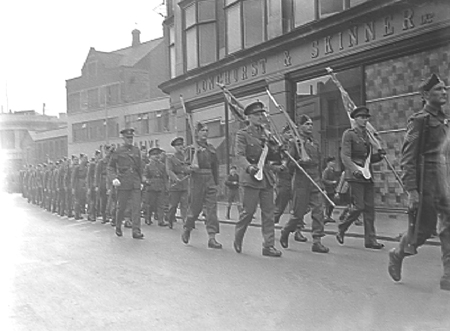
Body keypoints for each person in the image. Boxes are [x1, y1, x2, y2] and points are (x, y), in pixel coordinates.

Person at [388, 73, 450, 290]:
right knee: (422, 231)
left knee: (448, 226)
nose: (444, 92)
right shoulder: (419, 120)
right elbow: (408, 157)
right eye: (438, 89)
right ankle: (397, 254)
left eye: (445, 89)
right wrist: (412, 190)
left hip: (445, 178)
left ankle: (448, 276)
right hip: (428, 182)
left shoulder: (444, 120)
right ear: (425, 95)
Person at [233, 101, 283, 257]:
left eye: (262, 114)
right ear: (249, 117)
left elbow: (273, 157)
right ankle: (238, 236)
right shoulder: (242, 134)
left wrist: (277, 149)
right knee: (248, 212)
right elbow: (239, 156)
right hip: (251, 176)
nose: (261, 117)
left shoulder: (268, 134)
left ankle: (268, 246)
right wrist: (249, 167)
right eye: (257, 115)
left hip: (266, 177)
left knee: (268, 213)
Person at [336, 106, 385, 249]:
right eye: (362, 117)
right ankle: (342, 227)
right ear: (355, 119)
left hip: (367, 175)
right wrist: (354, 169)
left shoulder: (368, 136)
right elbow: (345, 156)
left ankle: (370, 240)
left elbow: (368, 158)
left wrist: (379, 156)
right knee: (359, 206)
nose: (365, 120)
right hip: (355, 175)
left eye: (366, 117)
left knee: (370, 208)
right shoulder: (349, 134)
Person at [279, 114, 329, 253]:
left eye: (311, 124)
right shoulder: (294, 142)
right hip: (301, 179)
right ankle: (286, 230)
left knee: (319, 210)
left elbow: (319, 164)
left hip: (315, 179)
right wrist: (299, 162)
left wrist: (321, 183)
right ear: (299, 126)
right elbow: (289, 164)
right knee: (298, 213)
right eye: (307, 124)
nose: (310, 126)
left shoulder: (315, 142)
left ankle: (317, 241)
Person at [181, 122, 222, 249]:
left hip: (209, 179)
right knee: (195, 209)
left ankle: (212, 237)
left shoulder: (211, 149)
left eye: (206, 130)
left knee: (211, 210)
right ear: (197, 133)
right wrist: (191, 168)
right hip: (197, 180)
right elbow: (184, 167)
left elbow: (215, 167)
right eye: (202, 130)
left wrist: (216, 184)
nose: (205, 132)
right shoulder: (191, 149)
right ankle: (187, 228)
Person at [108, 128, 144, 239]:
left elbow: (139, 167)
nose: (130, 140)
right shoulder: (118, 151)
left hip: (135, 181)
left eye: (131, 137)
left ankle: (136, 230)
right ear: (123, 138)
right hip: (123, 182)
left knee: (136, 207)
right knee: (121, 207)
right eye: (128, 138)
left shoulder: (136, 150)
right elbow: (110, 167)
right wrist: (114, 178)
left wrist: (141, 180)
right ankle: (118, 226)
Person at [166, 136, 189, 228]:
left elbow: (188, 167)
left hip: (185, 183)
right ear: (174, 147)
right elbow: (169, 170)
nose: (180, 146)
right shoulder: (170, 158)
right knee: (173, 205)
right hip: (175, 185)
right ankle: (170, 220)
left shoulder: (186, 157)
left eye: (181, 144)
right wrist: (176, 178)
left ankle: (186, 223)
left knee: (185, 204)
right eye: (178, 145)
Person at [143, 147, 169, 227]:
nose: (157, 156)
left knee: (161, 204)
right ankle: (148, 219)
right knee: (150, 204)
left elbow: (165, 177)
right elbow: (144, 176)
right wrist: (147, 181)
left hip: (160, 185)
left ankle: (161, 220)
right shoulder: (148, 166)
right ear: (150, 156)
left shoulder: (162, 165)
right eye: (154, 155)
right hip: (151, 186)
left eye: (158, 154)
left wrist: (166, 186)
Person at [273, 125, 293, 225]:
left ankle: (297, 230)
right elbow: (273, 164)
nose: (290, 135)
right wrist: (280, 167)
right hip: (283, 178)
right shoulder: (278, 147)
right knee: (280, 206)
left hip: (295, 178)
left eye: (292, 133)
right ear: (283, 134)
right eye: (288, 133)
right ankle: (271, 225)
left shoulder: (295, 146)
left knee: (298, 208)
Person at [95, 146, 111, 224]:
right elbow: (97, 174)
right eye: (107, 151)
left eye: (109, 151)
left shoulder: (113, 160)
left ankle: (113, 216)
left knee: (114, 200)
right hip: (103, 182)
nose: (108, 152)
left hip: (113, 181)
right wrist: (97, 185)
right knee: (104, 200)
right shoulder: (101, 162)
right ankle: (104, 216)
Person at [322, 156, 338, 223]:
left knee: (332, 203)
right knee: (327, 204)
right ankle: (326, 216)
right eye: (332, 162)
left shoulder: (332, 170)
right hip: (327, 189)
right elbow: (324, 180)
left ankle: (329, 216)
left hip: (332, 189)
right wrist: (332, 182)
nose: (333, 163)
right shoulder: (326, 170)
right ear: (328, 163)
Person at [71, 154, 88, 220]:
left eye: (86, 158)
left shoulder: (86, 167)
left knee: (82, 200)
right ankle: (77, 214)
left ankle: (80, 213)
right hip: (78, 185)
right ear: (81, 159)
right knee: (77, 200)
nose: (86, 160)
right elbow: (73, 178)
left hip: (84, 185)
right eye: (84, 158)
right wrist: (73, 187)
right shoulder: (77, 168)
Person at [87, 151, 101, 222]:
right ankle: (91, 214)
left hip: (98, 184)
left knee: (96, 201)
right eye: (98, 155)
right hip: (92, 185)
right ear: (95, 156)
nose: (99, 157)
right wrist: (89, 187)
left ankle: (95, 214)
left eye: (99, 156)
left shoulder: (100, 163)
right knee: (92, 201)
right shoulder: (92, 165)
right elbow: (89, 176)